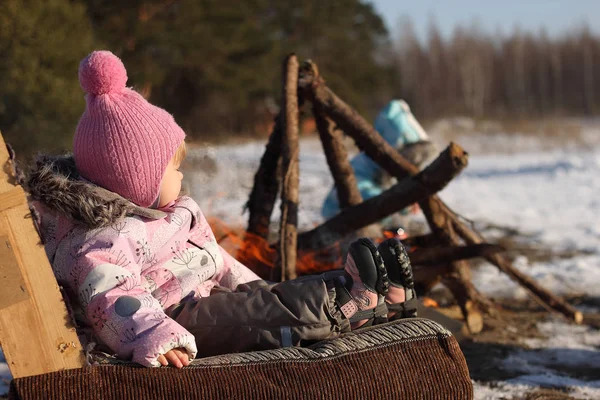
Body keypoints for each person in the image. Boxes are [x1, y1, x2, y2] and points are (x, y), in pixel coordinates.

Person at [27, 51, 417, 369]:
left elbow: (220, 264)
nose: (180, 177)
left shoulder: (167, 214)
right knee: (270, 312)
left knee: (268, 301)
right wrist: (154, 336)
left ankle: (382, 298)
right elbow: (111, 297)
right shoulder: (101, 239)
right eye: (173, 168)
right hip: (178, 319)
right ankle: (348, 300)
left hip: (207, 305)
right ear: (135, 181)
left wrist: (258, 289)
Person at [322, 100, 438, 230]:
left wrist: (407, 204)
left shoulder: (390, 171)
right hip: (339, 226)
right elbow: (363, 198)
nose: (412, 164)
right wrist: (400, 203)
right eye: (410, 157)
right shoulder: (363, 166)